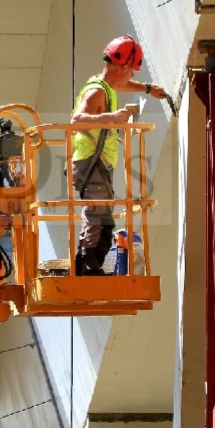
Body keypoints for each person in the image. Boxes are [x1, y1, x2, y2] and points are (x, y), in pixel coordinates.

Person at [71, 35, 168, 276]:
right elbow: (76, 121)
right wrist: (111, 119)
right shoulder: (96, 92)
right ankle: (87, 269)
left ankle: (88, 267)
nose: (132, 75)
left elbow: (122, 85)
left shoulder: (106, 86)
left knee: (102, 217)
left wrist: (147, 89)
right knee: (98, 215)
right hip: (90, 162)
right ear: (123, 67)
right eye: (132, 71)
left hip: (96, 163)